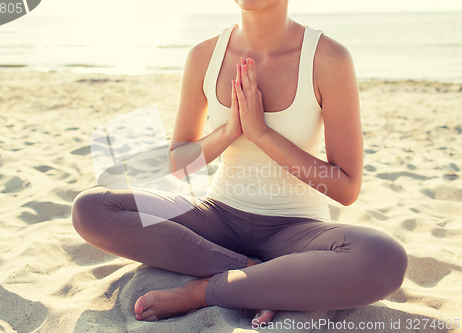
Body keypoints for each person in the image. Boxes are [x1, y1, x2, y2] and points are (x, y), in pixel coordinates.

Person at [71, 0, 408, 326]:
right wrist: (230, 131)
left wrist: (262, 134)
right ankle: (252, 271)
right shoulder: (205, 55)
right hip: (217, 219)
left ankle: (206, 290)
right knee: (91, 208)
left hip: (295, 233)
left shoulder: (328, 58)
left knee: (384, 256)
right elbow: (178, 162)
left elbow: (346, 187)